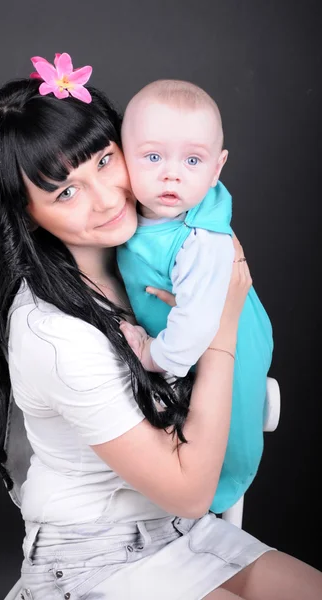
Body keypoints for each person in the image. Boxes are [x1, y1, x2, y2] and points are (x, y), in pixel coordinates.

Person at [0, 53, 322, 599]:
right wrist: (219, 330)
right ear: (26, 215)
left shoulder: (141, 259)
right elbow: (189, 491)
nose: (107, 198)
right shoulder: (53, 334)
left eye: (105, 161)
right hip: (91, 558)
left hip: (180, 533)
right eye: (66, 191)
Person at [117, 79, 273, 514]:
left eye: (192, 160)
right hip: (188, 336)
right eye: (152, 157)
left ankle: (216, 489)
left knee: (227, 422)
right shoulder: (141, 212)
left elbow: (199, 326)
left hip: (229, 341)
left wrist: (152, 356)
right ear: (122, 157)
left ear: (217, 168)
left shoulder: (201, 240)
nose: (172, 174)